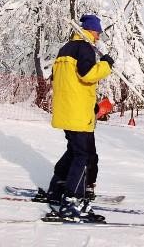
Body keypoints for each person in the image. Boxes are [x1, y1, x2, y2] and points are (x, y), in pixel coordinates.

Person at [45, 14, 114, 222]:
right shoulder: (84, 48)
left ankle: (57, 188)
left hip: (66, 109)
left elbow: (67, 81)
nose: (99, 37)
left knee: (73, 151)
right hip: (77, 114)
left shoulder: (65, 49)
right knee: (82, 156)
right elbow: (87, 74)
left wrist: (89, 102)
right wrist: (106, 65)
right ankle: (73, 200)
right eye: (98, 33)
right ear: (91, 30)